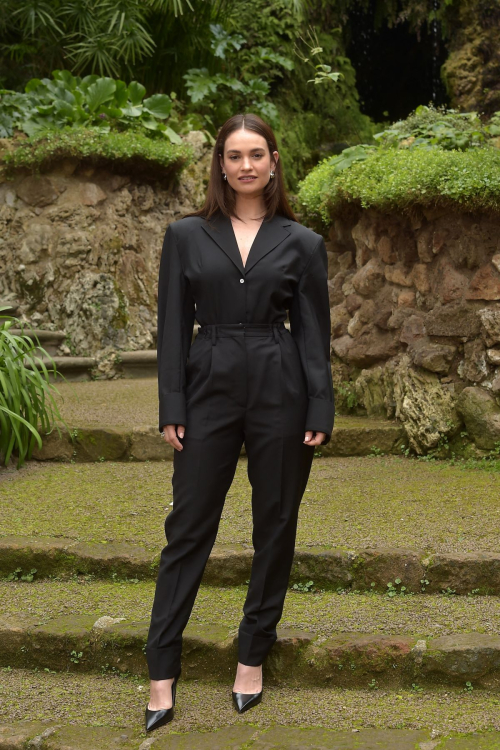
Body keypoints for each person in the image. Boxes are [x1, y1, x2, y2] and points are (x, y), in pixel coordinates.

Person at [144, 112, 335, 732]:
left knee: (275, 523)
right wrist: (172, 403)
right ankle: (161, 666)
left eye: (257, 154)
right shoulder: (187, 236)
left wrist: (320, 405)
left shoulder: (302, 242)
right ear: (220, 165)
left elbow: (313, 331)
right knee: (188, 526)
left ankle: (253, 652)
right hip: (208, 383)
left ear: (274, 162)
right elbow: (172, 324)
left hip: (281, 383)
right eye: (234, 155)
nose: (246, 165)